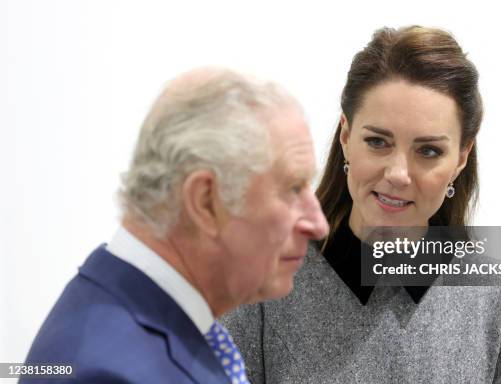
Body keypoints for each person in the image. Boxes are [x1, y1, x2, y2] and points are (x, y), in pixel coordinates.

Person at [222, 26, 501, 383]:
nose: (398, 174)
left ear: (461, 157)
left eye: (428, 150)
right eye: (378, 142)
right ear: (346, 136)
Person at [21, 68, 329, 384]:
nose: (319, 225)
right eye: (293, 189)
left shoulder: (147, 319)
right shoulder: (108, 374)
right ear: (206, 201)